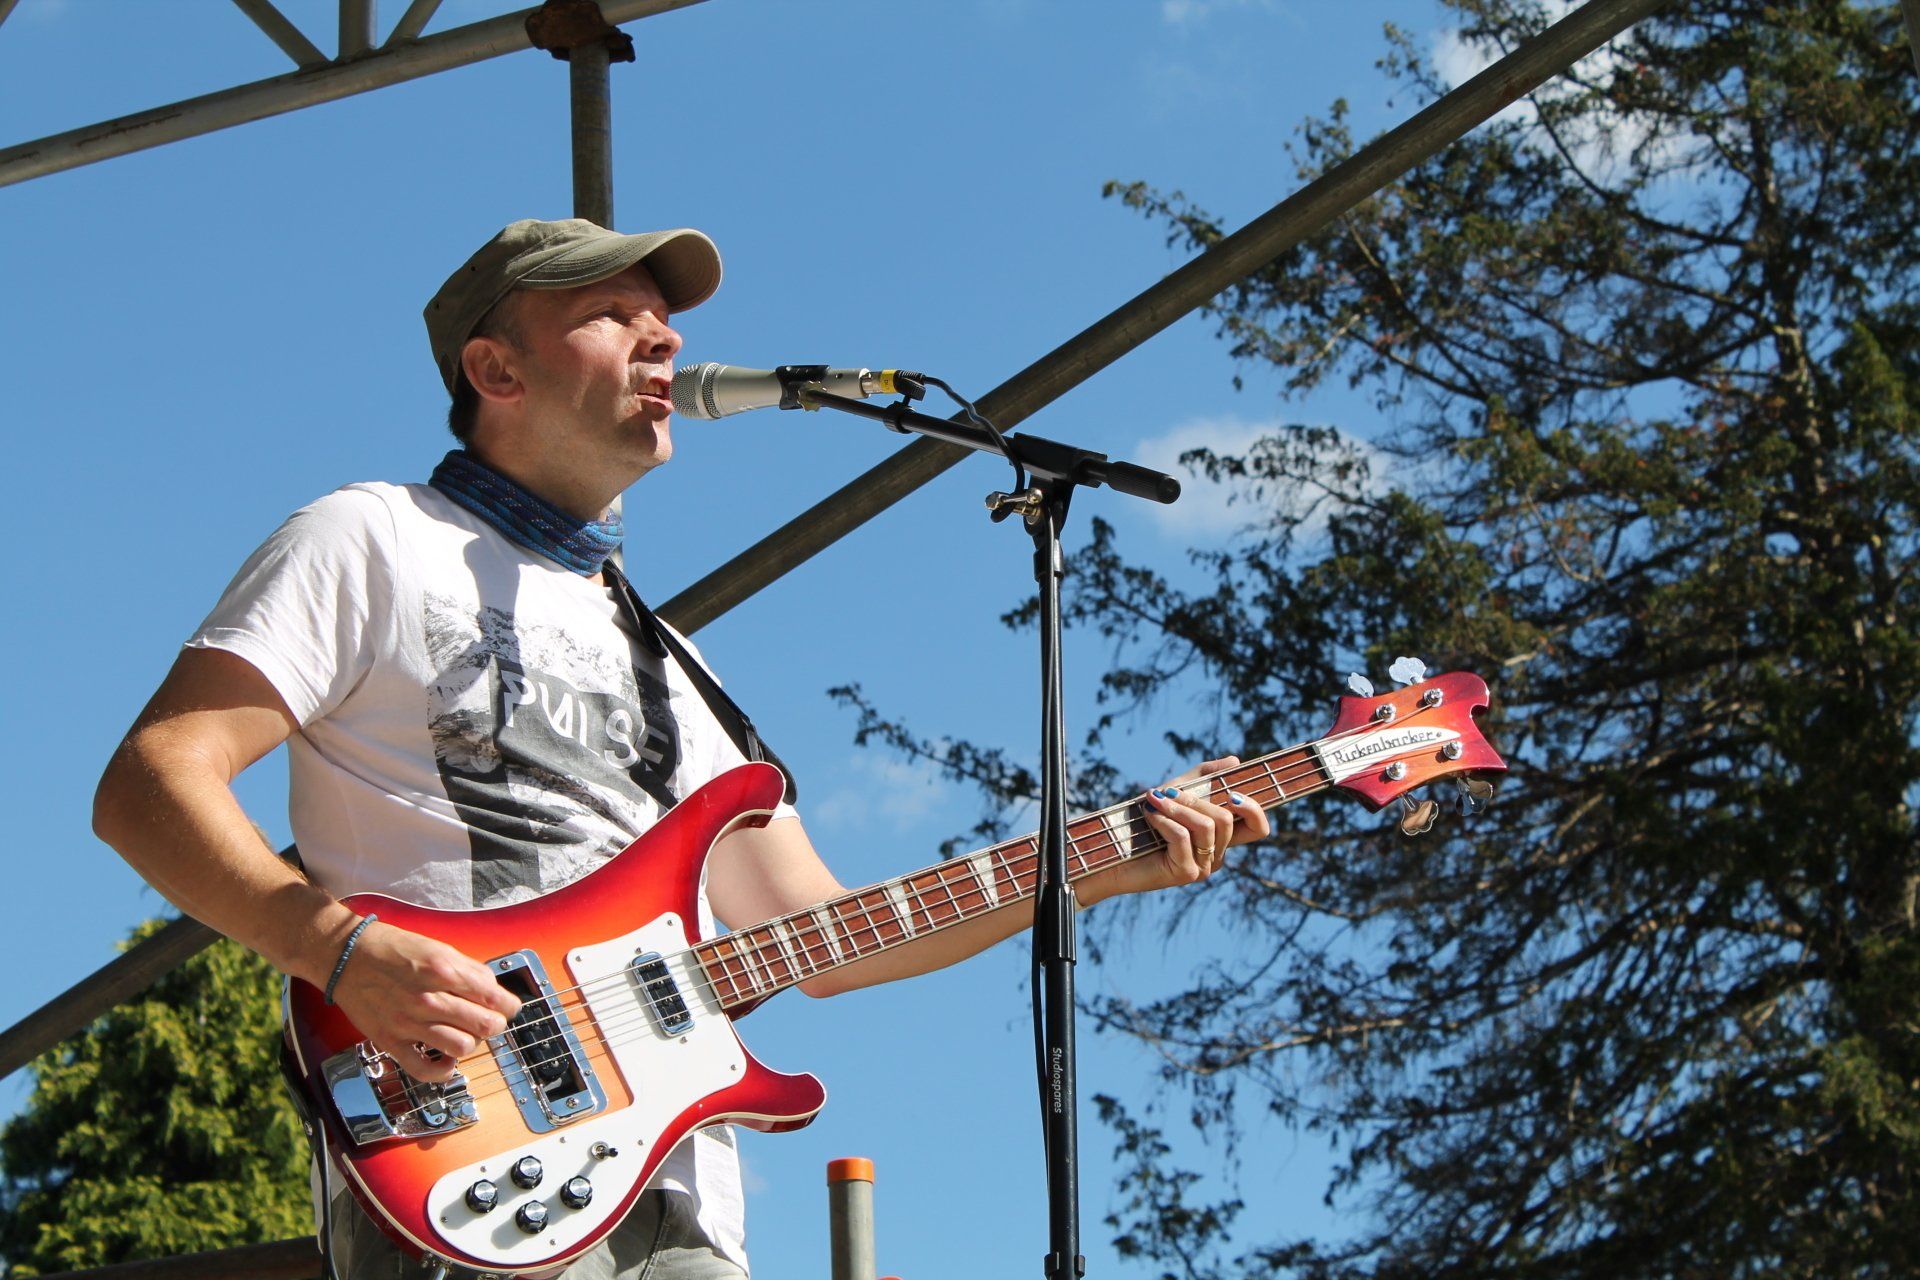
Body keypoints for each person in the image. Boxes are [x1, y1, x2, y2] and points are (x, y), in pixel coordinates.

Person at [91, 218, 1270, 1280]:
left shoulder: (679, 664)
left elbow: (827, 933)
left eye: (667, 322)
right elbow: (151, 781)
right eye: (613, 315)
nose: (663, 341)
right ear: (493, 368)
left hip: (680, 1195)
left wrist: (1106, 859)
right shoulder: (373, 537)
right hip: (459, 1143)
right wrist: (336, 950)